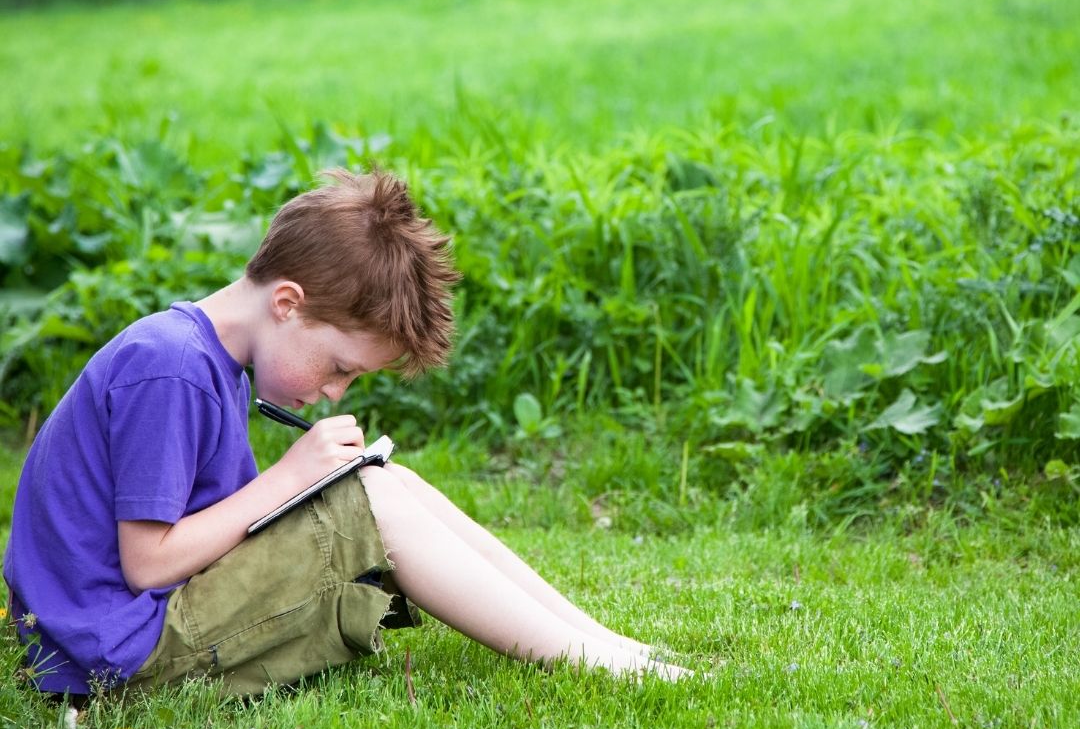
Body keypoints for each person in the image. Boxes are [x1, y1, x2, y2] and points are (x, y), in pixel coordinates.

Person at [3, 167, 690, 700]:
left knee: (385, 483)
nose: (334, 390)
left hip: (130, 630)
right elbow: (148, 563)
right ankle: (595, 662)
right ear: (287, 304)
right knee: (374, 502)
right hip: (113, 656)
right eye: (340, 367)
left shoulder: (205, 360)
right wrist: (292, 477)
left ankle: (610, 646)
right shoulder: (172, 368)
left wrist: (323, 482)